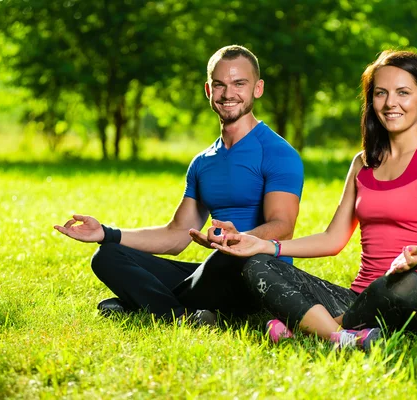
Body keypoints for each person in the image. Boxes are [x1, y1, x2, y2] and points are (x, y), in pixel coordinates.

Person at [201, 50, 417, 350]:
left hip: (415, 300)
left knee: (405, 284)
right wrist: (266, 246)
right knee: (257, 265)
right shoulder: (363, 164)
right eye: (381, 93)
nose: (391, 103)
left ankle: (317, 326)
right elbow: (333, 239)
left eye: (403, 92)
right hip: (357, 298)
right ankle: (342, 335)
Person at [54, 45, 304, 323]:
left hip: (259, 274)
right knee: (108, 256)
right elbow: (176, 235)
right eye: (219, 85)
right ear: (209, 91)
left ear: (258, 88)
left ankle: (144, 304)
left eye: (239, 84)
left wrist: (238, 242)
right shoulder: (203, 162)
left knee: (224, 259)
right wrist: (106, 233)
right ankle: (183, 315)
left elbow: (283, 227)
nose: (228, 94)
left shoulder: (278, 152)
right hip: (213, 271)